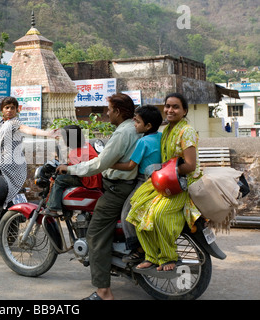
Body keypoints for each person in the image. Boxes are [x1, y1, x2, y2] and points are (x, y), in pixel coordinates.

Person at [56, 93, 142, 300]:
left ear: (118, 112)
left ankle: (104, 292)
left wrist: (69, 169)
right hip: (123, 184)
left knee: (95, 235)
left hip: (116, 188)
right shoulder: (134, 128)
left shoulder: (123, 133)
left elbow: (97, 165)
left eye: (109, 109)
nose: (107, 113)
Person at [126, 93, 202, 272]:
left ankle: (169, 256)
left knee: (158, 214)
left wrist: (163, 170)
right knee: (136, 209)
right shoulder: (167, 130)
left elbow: (190, 166)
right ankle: (151, 255)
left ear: (184, 111)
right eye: (167, 106)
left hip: (182, 184)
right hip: (166, 180)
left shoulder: (186, 131)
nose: (170, 110)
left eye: (175, 107)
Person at [0, 97, 58, 220]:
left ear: (16, 110)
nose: (9, 110)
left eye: (12, 108)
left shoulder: (14, 123)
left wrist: (48, 133)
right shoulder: (1, 125)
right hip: (1, 161)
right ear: (2, 110)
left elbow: (27, 129)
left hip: (6, 164)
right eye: (7, 108)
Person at [111, 105, 163, 263]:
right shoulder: (161, 137)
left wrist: (109, 164)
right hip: (159, 178)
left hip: (144, 181)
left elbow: (130, 166)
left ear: (148, 126)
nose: (134, 124)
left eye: (138, 122)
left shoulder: (143, 141)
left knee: (127, 214)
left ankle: (136, 249)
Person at [44, 125, 102, 215]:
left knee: (59, 180)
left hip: (88, 179)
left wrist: (65, 169)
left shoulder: (76, 151)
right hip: (91, 176)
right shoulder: (85, 146)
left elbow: (76, 169)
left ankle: (53, 208)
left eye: (64, 138)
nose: (63, 140)